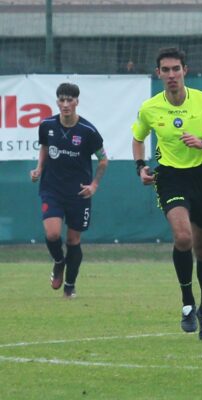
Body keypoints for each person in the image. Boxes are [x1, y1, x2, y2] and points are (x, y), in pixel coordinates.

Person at [131, 47, 202, 340]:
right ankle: (187, 304)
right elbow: (138, 137)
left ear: (185, 71)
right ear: (158, 74)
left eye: (175, 69)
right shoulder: (150, 108)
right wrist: (141, 166)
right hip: (170, 177)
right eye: (165, 70)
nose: (171, 75)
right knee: (183, 237)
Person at [30, 82, 109, 299]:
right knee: (53, 233)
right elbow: (45, 147)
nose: (66, 104)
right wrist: (38, 169)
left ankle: (70, 286)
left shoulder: (88, 131)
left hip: (78, 193)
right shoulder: (46, 125)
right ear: (57, 102)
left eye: (70, 100)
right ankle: (58, 262)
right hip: (51, 189)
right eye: (62, 100)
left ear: (77, 102)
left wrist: (94, 185)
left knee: (73, 241)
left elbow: (103, 160)